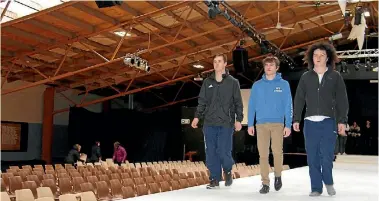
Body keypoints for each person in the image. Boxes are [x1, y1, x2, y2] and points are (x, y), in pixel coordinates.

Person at [293, 42, 349, 197]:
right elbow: (299, 99)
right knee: (312, 158)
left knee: (327, 156)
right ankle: (316, 187)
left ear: (327, 57)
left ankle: (329, 182)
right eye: (315, 55)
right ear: (312, 58)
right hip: (310, 123)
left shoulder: (335, 76)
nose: (318, 57)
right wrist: (296, 119)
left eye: (321, 55)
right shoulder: (306, 77)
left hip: (328, 122)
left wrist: (342, 121)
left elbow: (342, 100)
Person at [191, 53, 243, 189]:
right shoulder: (207, 82)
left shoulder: (233, 82)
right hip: (209, 123)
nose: (216, 64)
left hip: (226, 123)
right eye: (214, 62)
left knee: (223, 151)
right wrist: (197, 117)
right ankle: (214, 178)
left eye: (219, 61)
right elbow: (202, 101)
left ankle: (227, 170)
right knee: (211, 152)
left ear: (225, 64)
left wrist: (239, 119)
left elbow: (238, 102)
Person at [247, 55, 292, 194]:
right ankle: (265, 183)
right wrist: (250, 124)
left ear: (277, 67)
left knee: (278, 152)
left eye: (271, 65)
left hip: (278, 123)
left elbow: (288, 105)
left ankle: (278, 176)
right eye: (266, 65)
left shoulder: (284, 84)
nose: (268, 67)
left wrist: (288, 124)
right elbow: (251, 105)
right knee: (263, 155)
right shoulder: (257, 85)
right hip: (261, 124)